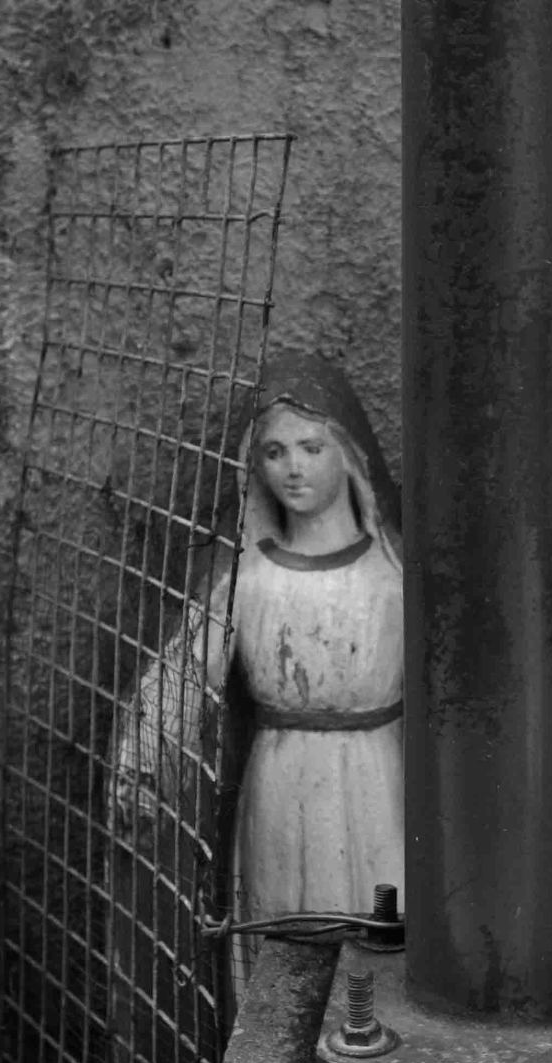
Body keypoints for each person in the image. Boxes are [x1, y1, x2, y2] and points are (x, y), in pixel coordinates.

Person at [111, 354, 404, 923]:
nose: (293, 468)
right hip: (280, 785)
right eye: (274, 452)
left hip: (380, 779)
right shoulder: (248, 579)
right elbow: (184, 676)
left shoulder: (394, 576)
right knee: (282, 929)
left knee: (381, 930)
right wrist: (142, 763)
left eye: (311, 448)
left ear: (348, 454)